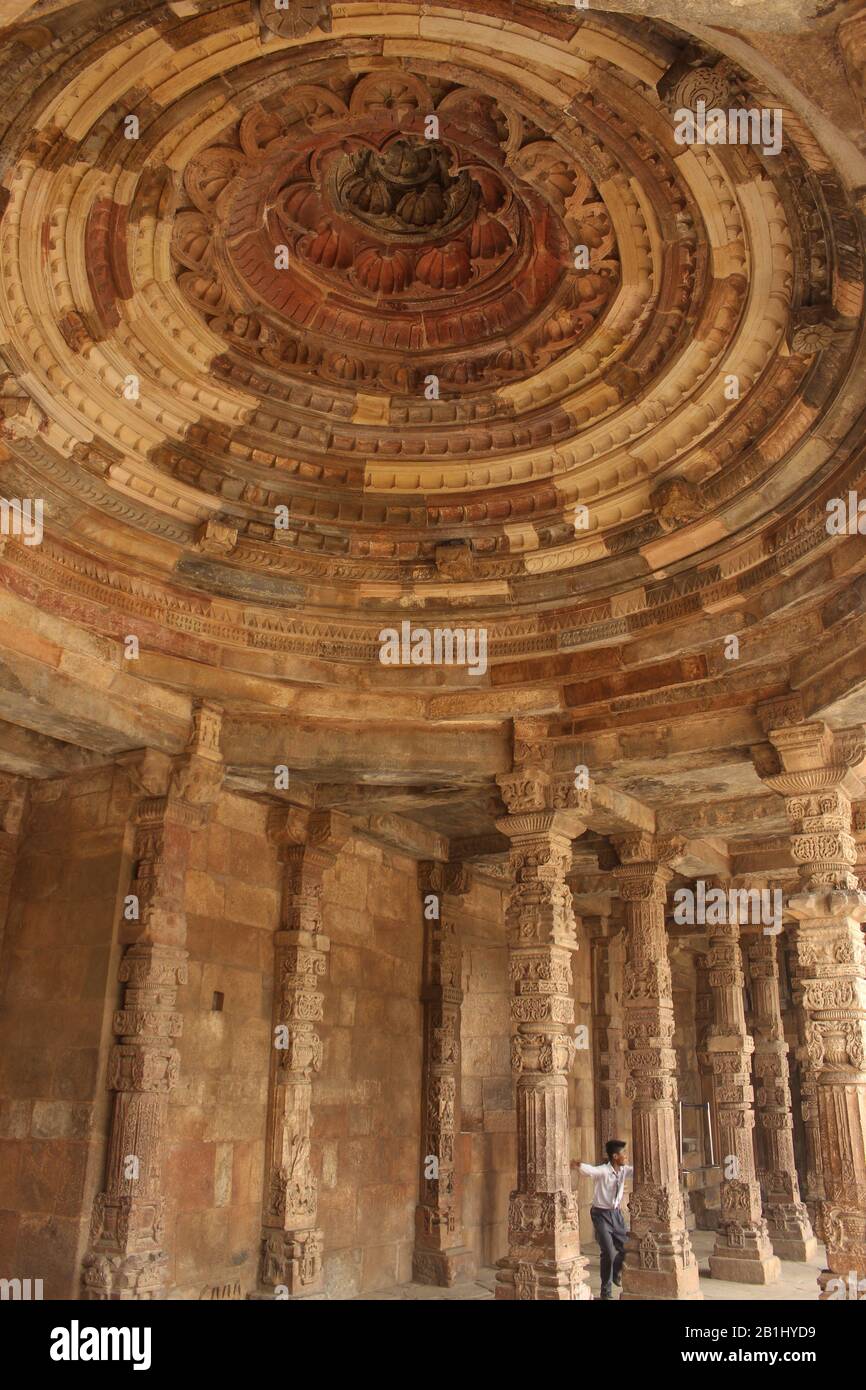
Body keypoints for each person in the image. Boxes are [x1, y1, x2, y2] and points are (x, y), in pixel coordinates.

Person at [576, 1139, 633, 1300]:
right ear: (615, 1156)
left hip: (616, 1214)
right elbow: (590, 1171)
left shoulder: (623, 1171)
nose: (626, 1157)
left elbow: (640, 1170)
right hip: (601, 1215)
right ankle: (606, 1292)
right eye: (624, 1154)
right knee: (607, 1252)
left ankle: (616, 1271)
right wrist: (578, 1165)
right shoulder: (603, 1171)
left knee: (626, 1247)